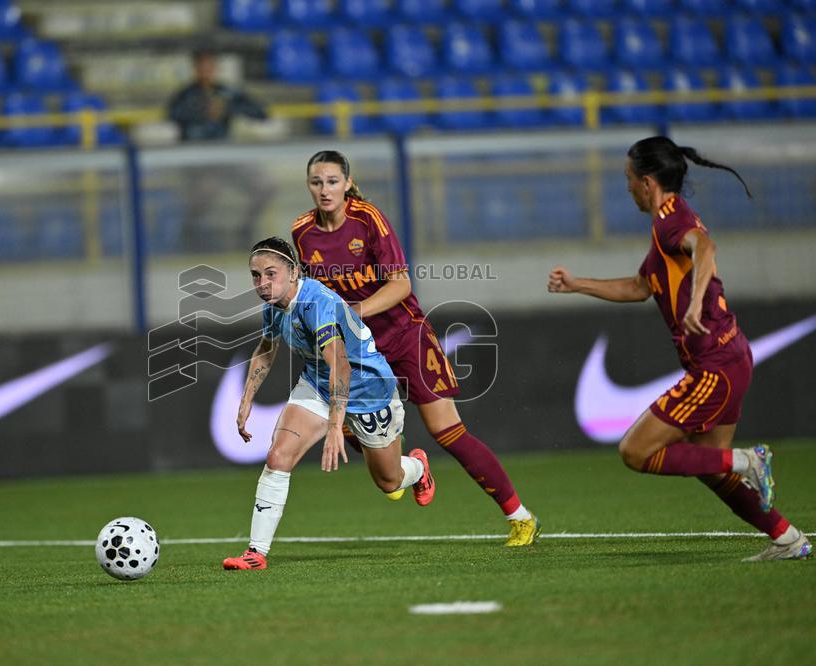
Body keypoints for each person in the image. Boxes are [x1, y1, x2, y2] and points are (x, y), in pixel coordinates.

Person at [548, 136, 812, 562]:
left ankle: (750, 459)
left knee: (634, 451)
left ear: (647, 183)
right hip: (729, 358)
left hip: (715, 365)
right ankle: (787, 538)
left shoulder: (673, 220)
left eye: (629, 180)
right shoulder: (663, 227)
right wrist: (577, 284)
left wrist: (694, 302)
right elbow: (638, 288)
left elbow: (705, 248)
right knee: (713, 467)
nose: (628, 187)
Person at [290, 150, 540, 547]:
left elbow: (401, 285)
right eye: (317, 182)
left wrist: (353, 312)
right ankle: (413, 468)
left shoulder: (368, 220)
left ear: (348, 183)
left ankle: (520, 518)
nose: (325, 190)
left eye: (333, 181)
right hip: (359, 352)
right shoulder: (302, 232)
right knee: (387, 483)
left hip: (404, 335)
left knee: (447, 430)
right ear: (308, 185)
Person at [223, 237, 436, 570]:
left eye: (270, 274)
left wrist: (336, 426)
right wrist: (247, 398)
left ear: (293, 272)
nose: (262, 284)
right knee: (278, 455)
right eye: (255, 275)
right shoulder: (275, 305)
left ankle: (420, 469)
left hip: (368, 391)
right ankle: (255, 553)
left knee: (389, 481)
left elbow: (342, 366)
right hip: (319, 386)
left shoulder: (315, 304)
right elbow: (266, 347)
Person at [166, 49, 274, 251]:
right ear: (195, 69)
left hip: (225, 158)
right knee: (207, 190)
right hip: (197, 163)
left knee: (264, 187)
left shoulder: (226, 93)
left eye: (210, 66)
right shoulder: (186, 96)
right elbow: (173, 116)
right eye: (202, 67)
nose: (206, 71)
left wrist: (230, 108)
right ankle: (190, 234)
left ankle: (244, 231)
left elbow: (260, 113)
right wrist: (201, 111)